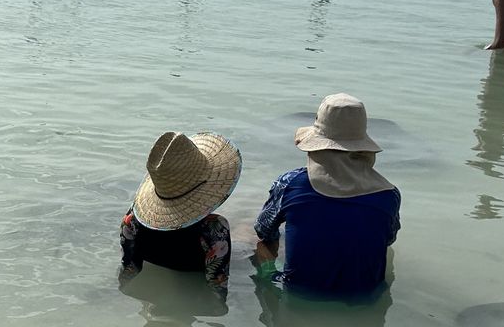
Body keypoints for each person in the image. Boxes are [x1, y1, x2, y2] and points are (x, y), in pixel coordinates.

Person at [253, 94, 401, 298]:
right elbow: (388, 240)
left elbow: (263, 230)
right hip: (365, 295)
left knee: (262, 246)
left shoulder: (290, 183)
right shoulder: (389, 194)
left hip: (298, 292)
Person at [120, 130, 242, 291]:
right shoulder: (215, 228)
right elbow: (217, 283)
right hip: (193, 291)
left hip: (155, 292)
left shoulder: (131, 221)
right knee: (246, 231)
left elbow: (129, 269)